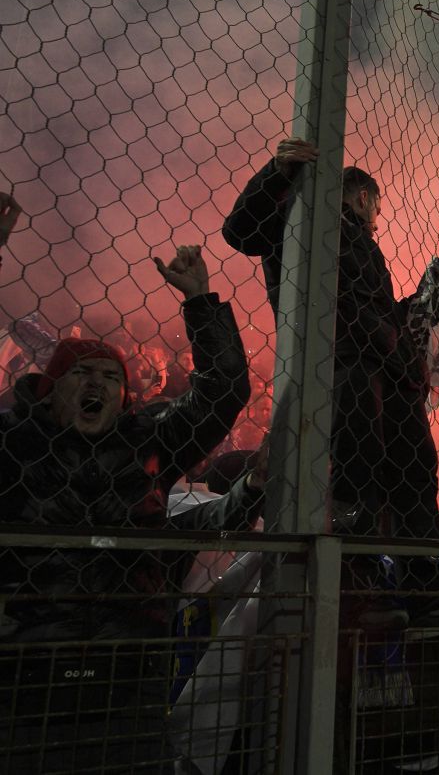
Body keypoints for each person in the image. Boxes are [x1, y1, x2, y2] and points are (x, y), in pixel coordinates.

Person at [0, 245, 256, 772]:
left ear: (125, 399)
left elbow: (225, 390)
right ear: (49, 391)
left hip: (131, 677)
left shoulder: (149, 448)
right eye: (81, 373)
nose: (97, 383)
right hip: (25, 677)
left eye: (111, 378)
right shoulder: (14, 448)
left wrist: (201, 302)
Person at [223, 137, 403, 535]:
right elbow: (239, 232)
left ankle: (357, 546)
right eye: (378, 208)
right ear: (361, 197)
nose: (378, 220)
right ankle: (336, 542)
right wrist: (275, 174)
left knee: (374, 466)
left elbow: (382, 316)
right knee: (350, 472)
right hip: (328, 360)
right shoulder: (301, 216)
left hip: (367, 366)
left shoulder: (366, 248)